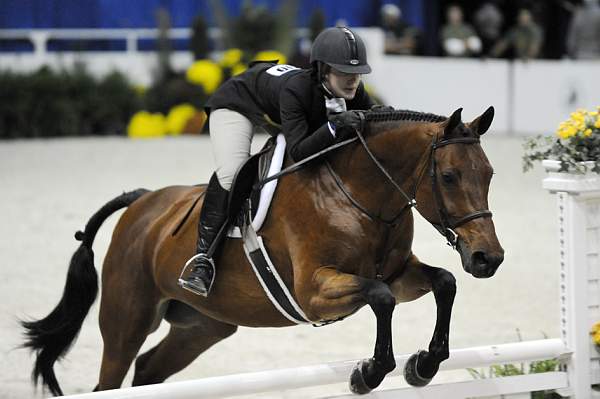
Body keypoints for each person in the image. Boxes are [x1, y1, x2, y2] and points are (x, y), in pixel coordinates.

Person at [179, 27, 388, 297]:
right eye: (345, 73)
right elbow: (300, 151)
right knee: (232, 173)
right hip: (238, 103)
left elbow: (373, 118)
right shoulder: (297, 90)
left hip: (278, 110)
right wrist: (335, 128)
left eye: (358, 74)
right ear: (324, 70)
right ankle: (203, 260)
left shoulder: (352, 90)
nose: (353, 81)